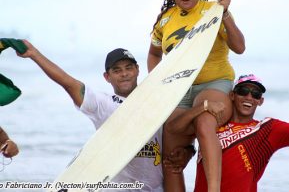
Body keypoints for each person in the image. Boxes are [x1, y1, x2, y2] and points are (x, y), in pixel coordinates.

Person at [16, 40, 194, 191]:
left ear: (137, 70)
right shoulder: (103, 103)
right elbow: (67, 83)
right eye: (117, 70)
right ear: (107, 77)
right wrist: (34, 54)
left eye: (128, 68)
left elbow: (180, 133)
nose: (124, 74)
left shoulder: (157, 102)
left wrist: (189, 151)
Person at [147, 0, 245, 192]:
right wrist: (157, 82)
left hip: (214, 83)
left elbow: (239, 47)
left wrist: (226, 13)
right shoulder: (164, 20)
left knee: (205, 119)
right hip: (178, 89)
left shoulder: (214, 11)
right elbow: (154, 54)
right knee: (171, 154)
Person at [167, 73, 289, 192]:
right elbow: (173, 128)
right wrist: (203, 107)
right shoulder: (213, 123)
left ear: (260, 101)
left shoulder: (266, 129)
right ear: (232, 95)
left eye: (255, 94)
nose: (249, 97)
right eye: (243, 91)